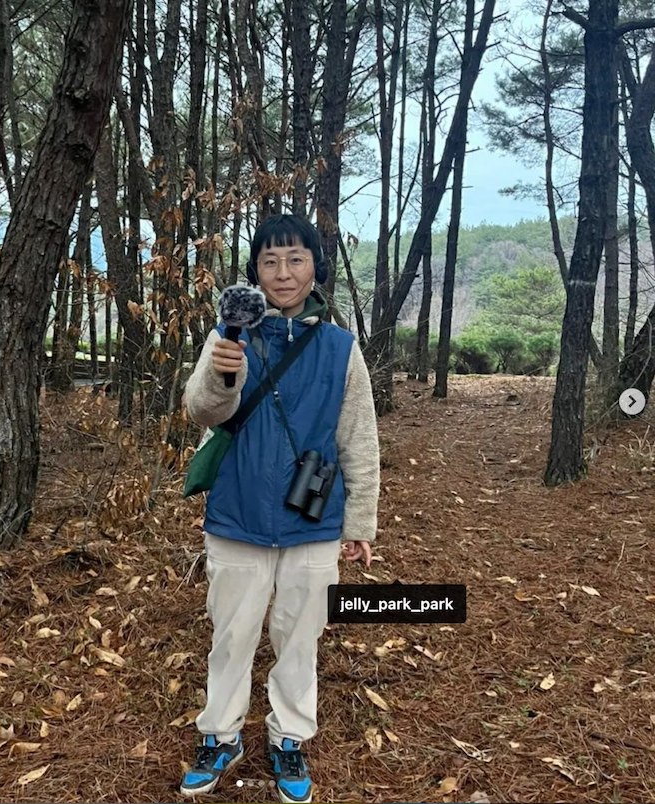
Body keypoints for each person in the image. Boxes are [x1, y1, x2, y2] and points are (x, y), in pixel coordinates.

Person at [180, 214, 380, 803]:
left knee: (299, 638)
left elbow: (358, 437)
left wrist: (360, 522)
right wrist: (223, 373)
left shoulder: (341, 348)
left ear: (316, 266)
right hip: (238, 513)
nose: (283, 273)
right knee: (231, 635)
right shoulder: (231, 334)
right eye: (270, 261)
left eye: (295, 259)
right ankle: (220, 736)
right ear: (255, 272)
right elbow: (201, 411)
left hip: (311, 520)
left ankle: (289, 736)